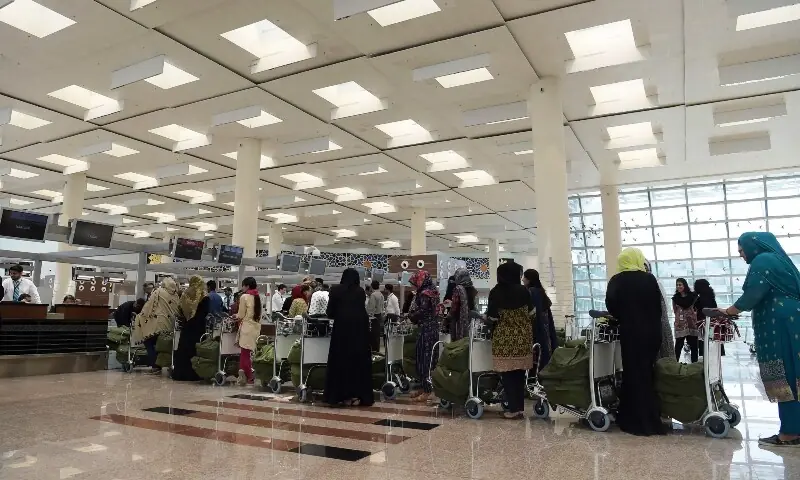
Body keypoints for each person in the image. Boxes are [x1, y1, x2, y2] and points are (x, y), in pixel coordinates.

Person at [718, 232, 800, 447]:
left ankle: (790, 433)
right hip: (791, 322)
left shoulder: (763, 260)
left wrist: (729, 311)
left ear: (753, 246)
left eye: (741, 250)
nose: (741, 255)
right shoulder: (780, 260)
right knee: (794, 374)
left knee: (784, 376)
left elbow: (753, 294)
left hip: (781, 326)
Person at [605, 247, 666, 436]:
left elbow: (612, 306)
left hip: (632, 333)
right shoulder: (649, 279)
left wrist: (625, 315)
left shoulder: (617, 280)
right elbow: (658, 307)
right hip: (652, 333)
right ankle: (652, 417)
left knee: (633, 374)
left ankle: (634, 419)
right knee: (647, 373)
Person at [486, 261, 534, 419]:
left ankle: (513, 409)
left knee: (507, 375)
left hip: (504, 339)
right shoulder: (524, 291)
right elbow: (532, 312)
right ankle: (519, 407)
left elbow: (492, 317)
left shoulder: (496, 292)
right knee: (520, 374)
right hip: (523, 338)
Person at [323, 268, 374, 407]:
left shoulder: (335, 290)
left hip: (342, 332)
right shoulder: (360, 291)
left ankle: (340, 396)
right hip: (360, 332)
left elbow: (330, 312)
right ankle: (357, 396)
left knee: (340, 363)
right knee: (358, 364)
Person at [133, 277, 180, 373]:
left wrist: (140, 317)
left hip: (158, 324)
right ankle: (166, 364)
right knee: (164, 345)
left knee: (148, 341)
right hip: (170, 325)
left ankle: (155, 366)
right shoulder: (175, 295)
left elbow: (148, 307)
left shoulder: (158, 292)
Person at [407, 270, 440, 403]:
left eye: (416, 282)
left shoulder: (425, 294)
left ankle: (427, 391)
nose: (415, 285)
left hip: (426, 330)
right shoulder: (433, 292)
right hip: (433, 329)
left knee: (424, 359)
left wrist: (411, 316)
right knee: (430, 359)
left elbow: (422, 311)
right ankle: (426, 387)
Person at [171, 276, 210, 381]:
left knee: (184, 349)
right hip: (199, 327)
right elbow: (206, 312)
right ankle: (195, 374)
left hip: (187, 326)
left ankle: (181, 374)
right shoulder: (204, 296)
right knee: (196, 349)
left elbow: (179, 310)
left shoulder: (185, 294)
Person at [523, 268, 558, 369]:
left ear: (529, 279)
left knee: (536, 358)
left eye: (524, 277)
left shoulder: (531, 292)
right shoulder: (541, 292)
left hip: (536, 330)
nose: (522, 279)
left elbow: (531, 313)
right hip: (545, 330)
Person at [644, 260, 675, 359]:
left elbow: (663, 304)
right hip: (647, 323)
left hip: (660, 320)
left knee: (664, 345)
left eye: (646, 268)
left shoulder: (656, 282)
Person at [235, 277, 262, 386]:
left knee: (244, 355)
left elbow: (241, 315)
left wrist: (235, 316)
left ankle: (250, 376)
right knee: (247, 354)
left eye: (243, 285)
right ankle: (243, 377)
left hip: (246, 328)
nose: (242, 288)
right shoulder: (258, 297)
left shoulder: (244, 297)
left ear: (247, 286)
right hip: (255, 329)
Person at [673, 278, 699, 363]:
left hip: (691, 324)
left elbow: (696, 309)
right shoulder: (675, 298)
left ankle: (694, 366)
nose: (678, 286)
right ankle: (675, 366)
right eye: (677, 285)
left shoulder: (693, 296)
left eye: (680, 284)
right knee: (678, 346)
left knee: (694, 346)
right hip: (680, 325)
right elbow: (675, 311)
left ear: (685, 285)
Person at [447, 269, 477, 341]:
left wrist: (448, 316)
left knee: (457, 342)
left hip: (457, 320)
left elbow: (454, 306)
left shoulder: (458, 288)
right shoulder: (471, 289)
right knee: (464, 341)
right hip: (467, 320)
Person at [694, 279, 718, 357]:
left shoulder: (700, 299)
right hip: (712, 323)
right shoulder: (711, 297)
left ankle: (704, 359)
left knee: (703, 343)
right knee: (711, 342)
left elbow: (696, 309)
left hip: (702, 324)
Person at [366, 280, 385, 352]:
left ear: (372, 286)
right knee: (377, 335)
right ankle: (377, 350)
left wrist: (367, 313)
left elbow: (371, 308)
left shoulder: (373, 295)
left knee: (373, 335)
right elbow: (382, 306)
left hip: (374, 317)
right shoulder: (381, 294)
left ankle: (373, 351)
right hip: (379, 316)